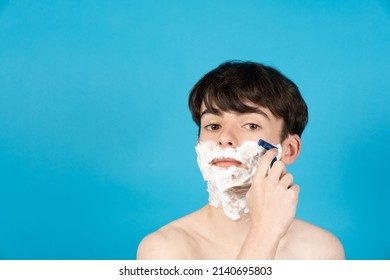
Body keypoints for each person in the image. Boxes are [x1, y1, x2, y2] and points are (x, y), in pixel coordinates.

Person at [137, 61, 345, 259]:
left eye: (251, 125)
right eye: (213, 126)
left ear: (289, 149)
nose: (225, 138)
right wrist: (264, 233)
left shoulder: (322, 252)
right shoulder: (163, 249)